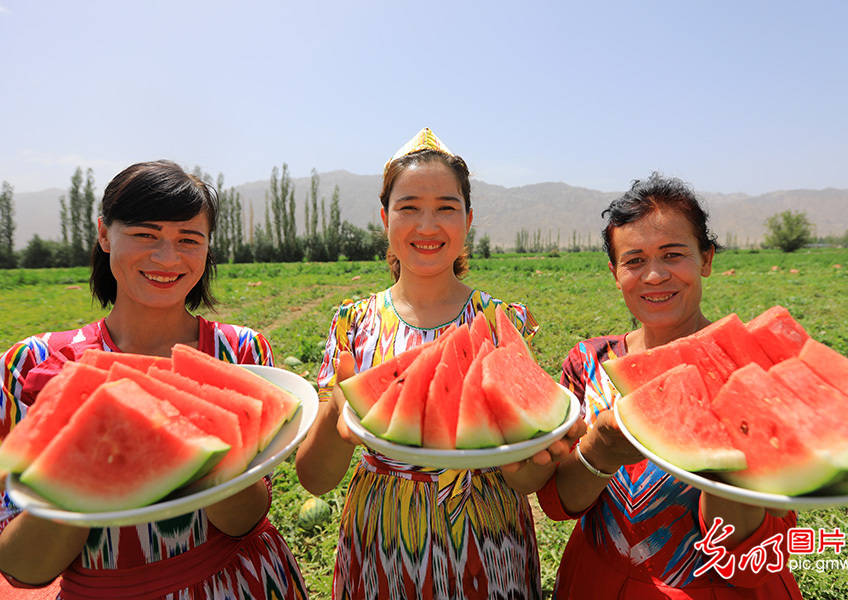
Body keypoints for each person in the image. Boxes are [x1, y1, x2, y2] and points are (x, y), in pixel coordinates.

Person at [0, 161, 308, 600]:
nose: (168, 258)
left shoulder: (243, 355)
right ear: (104, 234)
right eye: (146, 235)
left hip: (240, 584)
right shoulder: (32, 365)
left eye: (188, 239)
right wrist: (76, 452)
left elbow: (243, 520)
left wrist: (200, 436)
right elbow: (22, 567)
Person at [294, 128, 579, 600]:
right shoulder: (353, 323)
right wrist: (336, 410)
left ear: (469, 219)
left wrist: (540, 449)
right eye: (408, 207)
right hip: (380, 539)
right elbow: (316, 479)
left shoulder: (498, 320)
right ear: (384, 218)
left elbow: (527, 480)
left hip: (489, 542)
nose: (427, 225)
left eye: (446, 207)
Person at [537, 173, 803, 598]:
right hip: (597, 582)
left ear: (707, 259)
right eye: (634, 260)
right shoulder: (588, 362)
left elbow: (751, 555)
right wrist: (600, 450)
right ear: (614, 272)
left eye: (673, 254)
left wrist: (722, 460)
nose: (655, 275)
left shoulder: (757, 370)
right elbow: (558, 503)